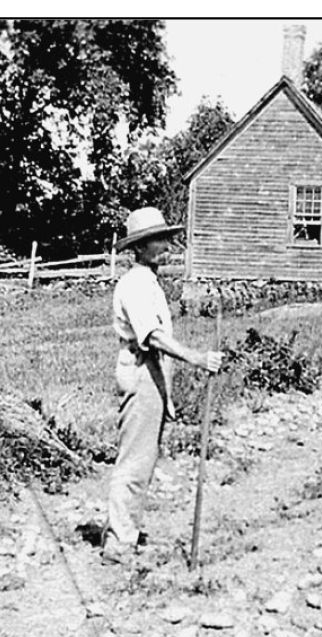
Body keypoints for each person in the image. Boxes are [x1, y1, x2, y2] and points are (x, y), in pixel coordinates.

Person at [104, 207, 222, 564]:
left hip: (151, 371)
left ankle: (129, 533)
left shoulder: (149, 281)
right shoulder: (135, 284)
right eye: (157, 240)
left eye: (166, 237)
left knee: (145, 459)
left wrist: (168, 386)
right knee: (134, 462)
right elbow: (152, 336)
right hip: (139, 368)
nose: (166, 244)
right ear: (139, 248)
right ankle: (118, 543)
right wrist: (197, 358)